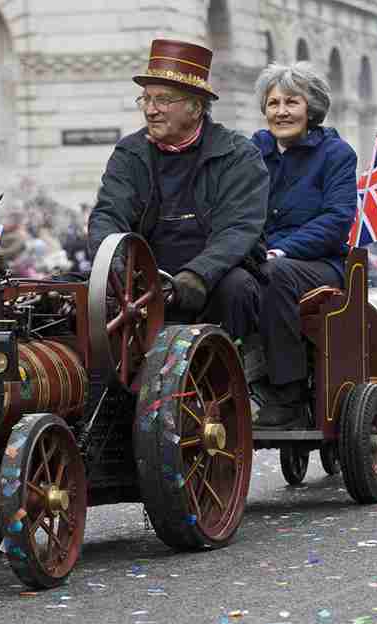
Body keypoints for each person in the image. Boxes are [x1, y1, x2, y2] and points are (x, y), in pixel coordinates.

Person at [87, 38, 269, 339]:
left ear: (196, 107)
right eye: (145, 99)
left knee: (237, 290)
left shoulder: (238, 155)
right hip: (143, 277)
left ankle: (237, 380)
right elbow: (108, 214)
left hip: (213, 276)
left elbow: (237, 230)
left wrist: (196, 276)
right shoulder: (129, 153)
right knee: (70, 292)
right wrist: (114, 266)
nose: (151, 110)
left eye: (163, 100)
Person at [248, 62, 357, 428]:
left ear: (311, 109)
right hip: (261, 257)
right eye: (273, 103)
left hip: (320, 264)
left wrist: (285, 249)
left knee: (275, 274)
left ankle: (288, 396)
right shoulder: (252, 152)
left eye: (291, 102)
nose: (281, 112)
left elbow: (337, 219)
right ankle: (242, 379)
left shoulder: (336, 154)